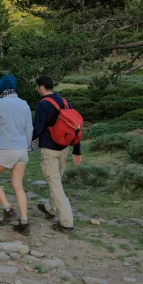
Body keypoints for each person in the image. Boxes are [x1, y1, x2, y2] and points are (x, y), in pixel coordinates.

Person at [33, 75, 82, 233]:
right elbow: (75, 126)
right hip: (64, 148)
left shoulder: (42, 105)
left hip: (50, 150)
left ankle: (66, 222)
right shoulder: (66, 102)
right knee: (57, 181)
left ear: (41, 88)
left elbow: (38, 129)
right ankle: (50, 208)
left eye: (37, 87)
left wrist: (23, 140)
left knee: (55, 183)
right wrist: (77, 150)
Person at [0, 75, 33, 236]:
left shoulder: (0, 103)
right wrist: (25, 146)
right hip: (22, 149)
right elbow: (29, 129)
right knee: (18, 186)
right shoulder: (24, 104)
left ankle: (8, 209)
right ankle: (24, 223)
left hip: (8, 148)